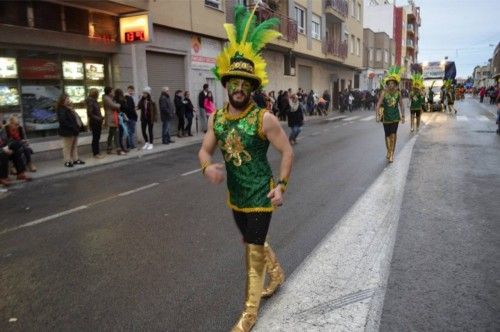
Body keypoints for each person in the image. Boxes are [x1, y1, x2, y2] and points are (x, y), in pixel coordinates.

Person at [198, 6, 293, 331]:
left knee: (252, 253)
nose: (239, 88)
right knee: (251, 243)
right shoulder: (217, 118)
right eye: (234, 82)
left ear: (252, 87)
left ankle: (249, 315)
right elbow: (204, 150)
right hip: (235, 198)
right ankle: (277, 274)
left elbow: (287, 150)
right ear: (225, 84)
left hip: (261, 196)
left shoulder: (264, 118)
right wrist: (207, 166)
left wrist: (281, 185)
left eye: (245, 83)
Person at [375, 67, 405, 163]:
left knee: (393, 134)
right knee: (387, 135)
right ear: (387, 84)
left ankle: (392, 153)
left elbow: (401, 105)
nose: (391, 85)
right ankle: (388, 150)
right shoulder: (384, 93)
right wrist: (377, 115)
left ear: (396, 84)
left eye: (393, 83)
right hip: (386, 117)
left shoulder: (398, 93)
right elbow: (378, 104)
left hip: (395, 117)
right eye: (389, 83)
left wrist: (403, 115)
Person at [56, 93, 85, 167]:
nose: (69, 100)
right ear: (63, 100)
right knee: (67, 147)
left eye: (68, 99)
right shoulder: (62, 109)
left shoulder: (69, 108)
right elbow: (63, 121)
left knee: (74, 146)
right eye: (67, 99)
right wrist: (72, 127)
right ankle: (67, 161)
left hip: (74, 130)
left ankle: (75, 159)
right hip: (68, 131)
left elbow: (74, 117)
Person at [86, 88, 104, 158]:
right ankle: (96, 153)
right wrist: (99, 118)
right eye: (97, 93)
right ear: (95, 94)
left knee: (97, 137)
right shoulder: (91, 101)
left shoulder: (94, 101)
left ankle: (97, 152)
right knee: (96, 138)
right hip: (95, 122)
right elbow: (90, 113)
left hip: (97, 121)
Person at [103, 86, 121, 154]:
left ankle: (109, 147)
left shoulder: (110, 98)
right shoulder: (107, 98)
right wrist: (119, 105)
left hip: (114, 117)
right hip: (111, 117)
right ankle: (117, 148)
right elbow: (113, 105)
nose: (113, 92)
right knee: (115, 133)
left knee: (112, 133)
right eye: (112, 91)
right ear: (109, 92)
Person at [113, 88, 129, 155]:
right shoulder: (122, 100)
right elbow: (126, 108)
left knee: (120, 134)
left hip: (117, 117)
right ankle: (122, 148)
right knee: (122, 133)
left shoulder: (114, 100)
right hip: (121, 117)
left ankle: (122, 148)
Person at [125, 85, 138, 149]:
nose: (131, 91)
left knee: (129, 131)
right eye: (129, 90)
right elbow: (131, 108)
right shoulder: (127, 97)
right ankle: (131, 145)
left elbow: (135, 106)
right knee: (130, 132)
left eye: (132, 90)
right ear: (127, 90)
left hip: (130, 116)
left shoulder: (133, 97)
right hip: (130, 117)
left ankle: (129, 145)